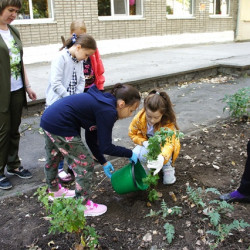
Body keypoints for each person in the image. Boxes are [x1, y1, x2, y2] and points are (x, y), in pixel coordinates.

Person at [40, 83, 140, 216]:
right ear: (121, 104)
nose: (130, 114)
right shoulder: (108, 111)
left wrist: (103, 162)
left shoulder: (102, 103)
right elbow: (106, 146)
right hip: (61, 124)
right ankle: (82, 206)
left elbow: (91, 139)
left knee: (54, 157)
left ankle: (54, 190)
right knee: (85, 164)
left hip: (49, 119)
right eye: (131, 110)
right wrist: (130, 153)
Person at [58, 19, 105, 182]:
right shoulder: (65, 56)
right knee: (70, 131)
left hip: (87, 92)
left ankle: (93, 152)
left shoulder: (90, 51)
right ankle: (67, 164)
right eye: (77, 36)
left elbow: (97, 69)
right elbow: (59, 81)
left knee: (93, 126)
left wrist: (99, 87)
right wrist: (71, 100)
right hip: (69, 97)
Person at [0, 0, 37, 190]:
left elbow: (19, 61)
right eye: (10, 10)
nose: (13, 15)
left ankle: (13, 165)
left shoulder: (13, 32)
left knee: (14, 129)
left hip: (16, 89)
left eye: (16, 11)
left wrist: (27, 85)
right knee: (2, 132)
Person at [128, 89, 180, 185]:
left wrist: (162, 158)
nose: (152, 120)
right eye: (149, 116)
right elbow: (132, 133)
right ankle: (146, 166)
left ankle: (167, 166)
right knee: (136, 154)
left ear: (162, 114)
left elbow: (168, 144)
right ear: (145, 110)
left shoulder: (167, 123)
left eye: (156, 117)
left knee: (168, 181)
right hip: (149, 145)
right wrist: (143, 142)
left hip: (163, 149)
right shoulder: (139, 118)